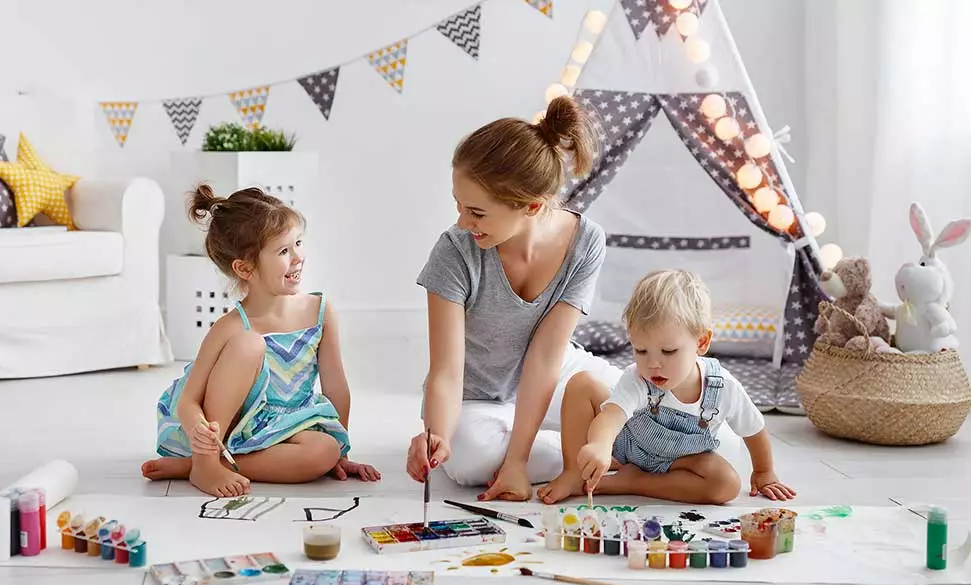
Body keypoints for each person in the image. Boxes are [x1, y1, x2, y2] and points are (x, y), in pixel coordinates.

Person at [405, 96, 622, 502]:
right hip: (476, 392)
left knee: (648, 414)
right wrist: (435, 434)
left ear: (532, 206)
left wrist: (519, 461)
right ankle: (592, 455)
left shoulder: (586, 241)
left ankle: (564, 448)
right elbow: (447, 373)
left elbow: (545, 357)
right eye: (459, 206)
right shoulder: (455, 250)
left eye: (477, 212)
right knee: (469, 460)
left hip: (554, 372)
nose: (462, 222)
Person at [142, 184, 380, 497]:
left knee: (324, 451)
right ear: (245, 268)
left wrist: (342, 453)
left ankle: (198, 466)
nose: (297, 257)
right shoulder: (230, 326)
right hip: (224, 426)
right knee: (250, 343)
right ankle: (204, 461)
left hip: (284, 426)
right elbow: (189, 401)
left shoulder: (319, 311)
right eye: (283, 251)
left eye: (298, 243)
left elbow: (336, 388)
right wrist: (200, 431)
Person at [537, 269, 796, 505]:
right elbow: (612, 416)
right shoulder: (637, 378)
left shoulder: (723, 387)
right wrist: (600, 445)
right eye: (640, 350)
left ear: (702, 342)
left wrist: (763, 472)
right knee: (583, 384)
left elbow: (754, 429)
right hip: (629, 445)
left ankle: (631, 482)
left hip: (679, 464)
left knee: (726, 484)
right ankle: (573, 474)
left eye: (669, 351)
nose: (653, 364)